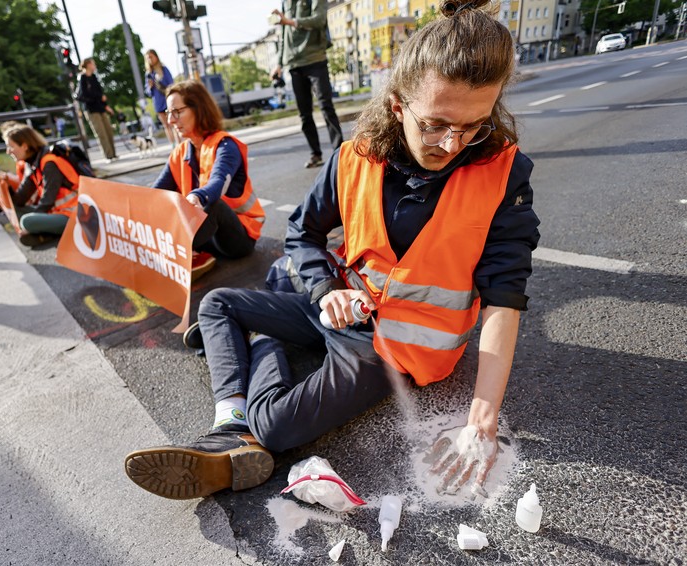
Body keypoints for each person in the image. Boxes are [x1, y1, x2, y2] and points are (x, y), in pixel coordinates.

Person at [125, 0, 541, 501]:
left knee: (275, 428)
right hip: (343, 308)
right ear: (397, 106)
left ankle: (252, 376)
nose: (453, 143)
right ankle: (232, 418)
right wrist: (324, 291)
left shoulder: (504, 173)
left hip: (393, 350)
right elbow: (303, 230)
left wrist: (481, 422)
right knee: (217, 303)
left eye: (474, 125)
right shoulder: (354, 157)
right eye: (434, 124)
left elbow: (505, 297)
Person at [150, 80, 266, 278]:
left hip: (239, 238)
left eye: (177, 112)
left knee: (213, 205)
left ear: (198, 109)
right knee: (159, 206)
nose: (170, 120)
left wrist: (198, 196)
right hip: (208, 236)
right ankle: (174, 255)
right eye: (169, 113)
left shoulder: (226, 146)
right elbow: (155, 194)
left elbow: (218, 182)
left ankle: (169, 257)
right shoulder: (179, 154)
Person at [271, 0, 344, 169]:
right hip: (294, 63)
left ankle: (339, 152)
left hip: (314, 58)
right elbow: (284, 34)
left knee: (326, 106)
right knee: (304, 113)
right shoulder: (286, 2)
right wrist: (279, 63)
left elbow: (319, 20)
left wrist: (289, 21)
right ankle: (316, 154)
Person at [2, 125, 79, 247]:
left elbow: (47, 202)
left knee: (27, 221)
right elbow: (20, 200)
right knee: (13, 208)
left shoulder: (49, 162)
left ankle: (47, 233)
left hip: (73, 214)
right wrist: (6, 186)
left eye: (11, 146)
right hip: (55, 212)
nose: (8, 151)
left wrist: (31, 223)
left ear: (25, 146)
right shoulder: (31, 164)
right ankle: (50, 233)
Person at [76, 58, 117, 161]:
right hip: (91, 109)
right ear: (88, 65)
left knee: (108, 130)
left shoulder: (94, 77)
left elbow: (100, 93)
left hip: (101, 107)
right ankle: (108, 156)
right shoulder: (82, 78)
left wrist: (106, 106)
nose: (95, 65)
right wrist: (98, 96)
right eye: (93, 64)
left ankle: (114, 153)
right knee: (101, 133)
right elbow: (84, 95)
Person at [144, 49, 178, 149]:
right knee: (166, 125)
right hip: (158, 102)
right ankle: (173, 145)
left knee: (173, 122)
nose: (150, 59)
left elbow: (171, 83)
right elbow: (148, 92)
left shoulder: (163, 69)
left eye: (151, 57)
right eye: (148, 58)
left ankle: (179, 143)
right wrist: (150, 87)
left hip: (168, 100)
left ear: (156, 56)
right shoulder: (148, 74)